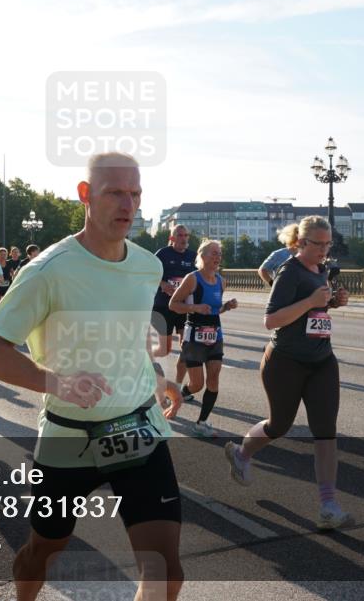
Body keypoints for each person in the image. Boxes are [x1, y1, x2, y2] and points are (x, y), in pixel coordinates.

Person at [0, 152, 184, 601]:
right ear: (85, 196)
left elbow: (129, 335)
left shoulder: (149, 265)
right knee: (44, 550)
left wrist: (154, 375)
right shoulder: (46, 271)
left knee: (166, 569)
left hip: (139, 427)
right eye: (114, 193)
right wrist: (58, 382)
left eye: (135, 193)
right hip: (70, 437)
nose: (128, 204)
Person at [224, 216, 352, 531]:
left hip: (322, 360)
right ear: (300, 243)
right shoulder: (288, 272)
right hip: (285, 361)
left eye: (328, 244)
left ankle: (328, 505)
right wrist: (311, 301)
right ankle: (242, 453)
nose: (324, 250)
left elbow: (314, 312)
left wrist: (332, 302)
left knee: (325, 432)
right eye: (318, 244)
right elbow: (272, 320)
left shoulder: (321, 269)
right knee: (279, 425)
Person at [169, 239, 238, 437]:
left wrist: (227, 306)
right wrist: (194, 307)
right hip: (194, 336)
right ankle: (178, 396)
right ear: (202, 256)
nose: (217, 257)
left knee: (214, 377)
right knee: (197, 385)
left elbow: (215, 310)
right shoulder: (192, 279)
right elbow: (174, 304)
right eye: (213, 253)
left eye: (219, 254)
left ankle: (202, 422)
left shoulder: (221, 281)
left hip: (215, 334)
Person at [151, 225, 197, 388]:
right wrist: (163, 283)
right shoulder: (163, 254)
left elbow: (199, 277)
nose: (184, 238)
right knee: (165, 350)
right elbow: (148, 275)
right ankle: (144, 356)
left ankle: (178, 386)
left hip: (183, 308)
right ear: (172, 238)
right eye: (179, 235)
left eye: (186, 235)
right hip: (162, 307)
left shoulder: (193, 256)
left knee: (187, 347)